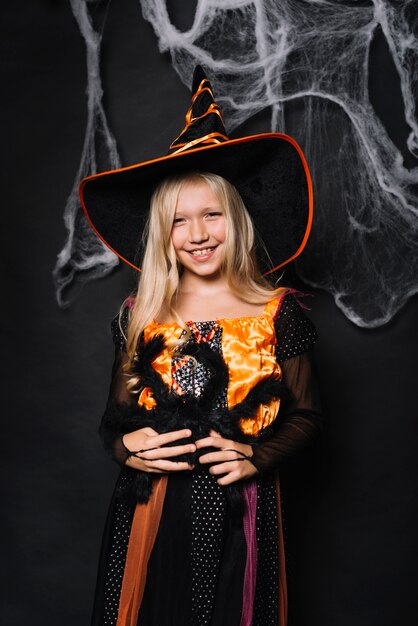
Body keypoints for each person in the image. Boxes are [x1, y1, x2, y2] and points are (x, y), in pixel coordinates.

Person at [81, 66, 322, 626]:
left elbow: (308, 416)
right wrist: (126, 448)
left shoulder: (275, 311)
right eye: (179, 222)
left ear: (235, 221)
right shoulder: (138, 316)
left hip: (241, 510)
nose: (197, 234)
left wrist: (255, 457)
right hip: (148, 511)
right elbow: (112, 419)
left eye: (211, 215)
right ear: (162, 235)